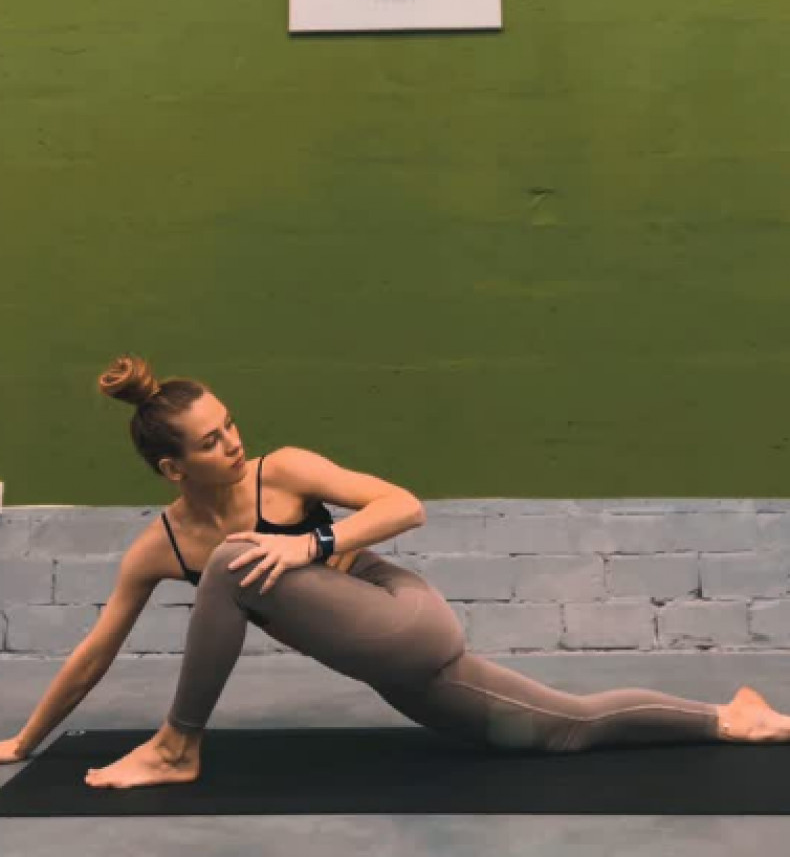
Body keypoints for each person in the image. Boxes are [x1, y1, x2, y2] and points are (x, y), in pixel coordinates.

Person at [1, 354, 789, 791]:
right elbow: (97, 649)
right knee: (561, 728)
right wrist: (23, 741)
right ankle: (730, 715)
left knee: (237, 558)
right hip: (385, 664)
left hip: (404, 614)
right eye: (211, 442)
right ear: (174, 468)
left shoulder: (284, 470)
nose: (233, 442)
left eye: (230, 424)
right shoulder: (161, 546)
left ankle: (178, 745)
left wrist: (311, 544)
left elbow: (404, 505)